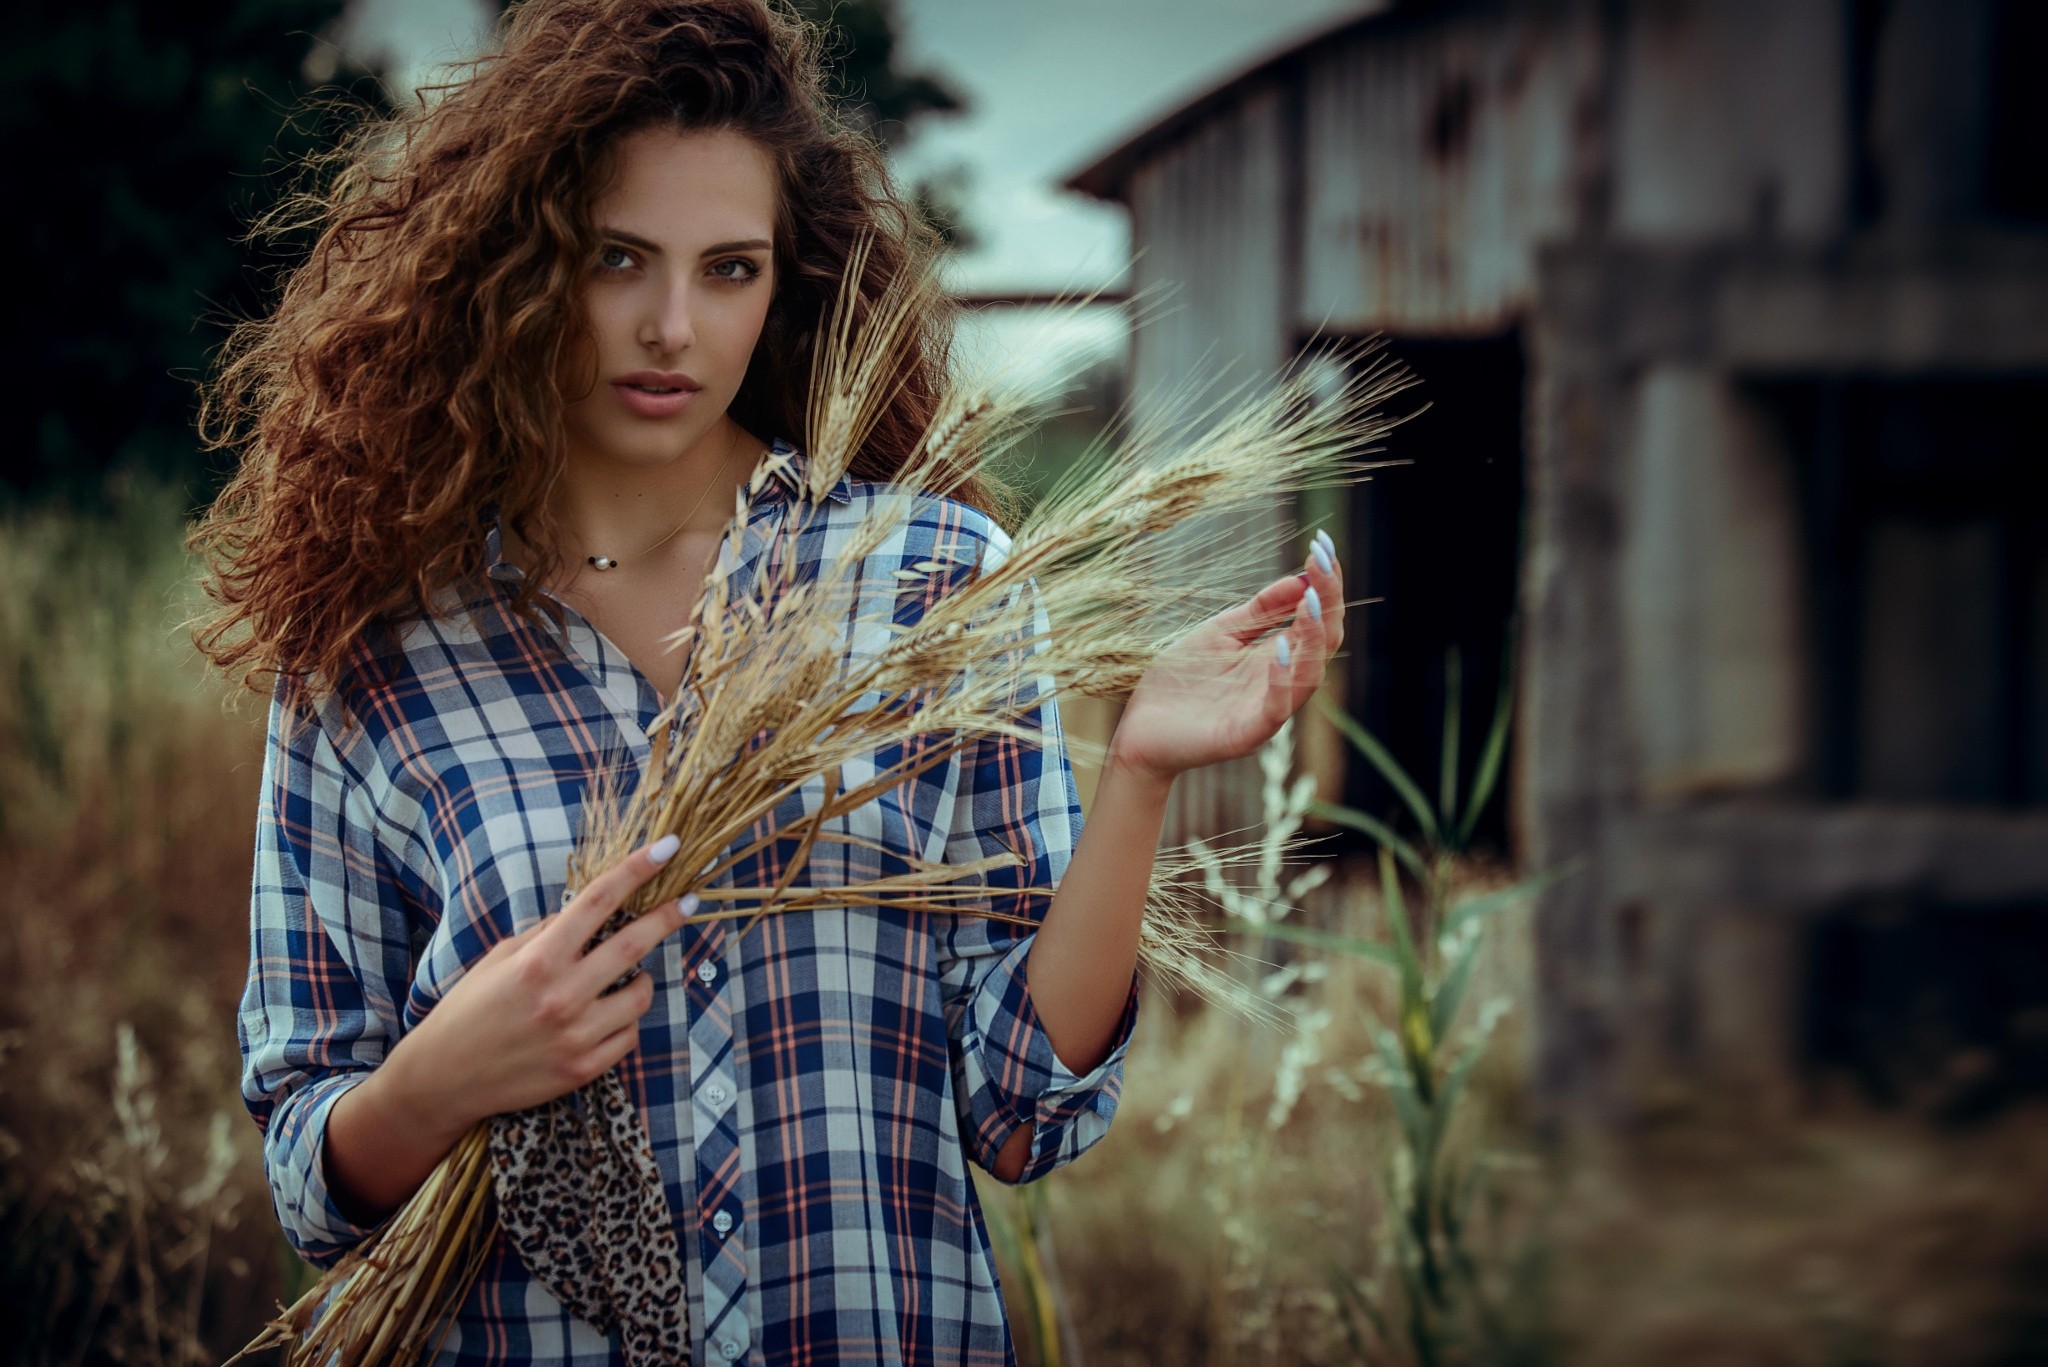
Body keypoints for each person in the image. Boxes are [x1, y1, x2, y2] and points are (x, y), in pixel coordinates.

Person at [192, 1, 1345, 1362]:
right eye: (618, 258)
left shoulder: (933, 581)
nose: (672, 325)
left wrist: (1138, 774)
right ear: (519, 264)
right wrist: (440, 1079)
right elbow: (312, 1181)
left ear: (784, 286)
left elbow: (1020, 1110)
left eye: (728, 270)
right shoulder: (376, 652)